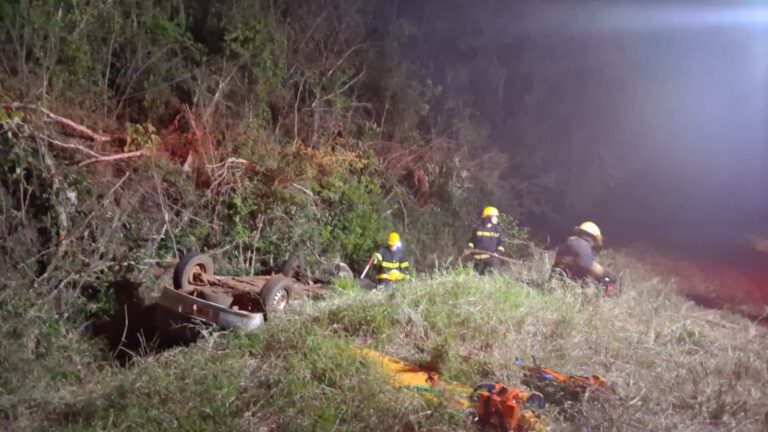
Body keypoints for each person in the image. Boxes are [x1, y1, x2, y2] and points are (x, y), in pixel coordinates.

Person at [551, 221, 618, 295]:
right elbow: (585, 264)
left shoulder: (571, 241)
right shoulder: (582, 245)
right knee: (604, 281)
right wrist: (606, 274)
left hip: (558, 281)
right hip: (567, 286)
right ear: (595, 238)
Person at [467, 206, 506, 275]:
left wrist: (498, 253)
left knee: (494, 276)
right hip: (478, 261)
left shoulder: (497, 230)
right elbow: (471, 241)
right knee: (477, 279)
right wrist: (470, 249)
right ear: (488, 217)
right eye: (494, 217)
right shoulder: (477, 229)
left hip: (492, 259)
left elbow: (502, 244)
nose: (497, 219)